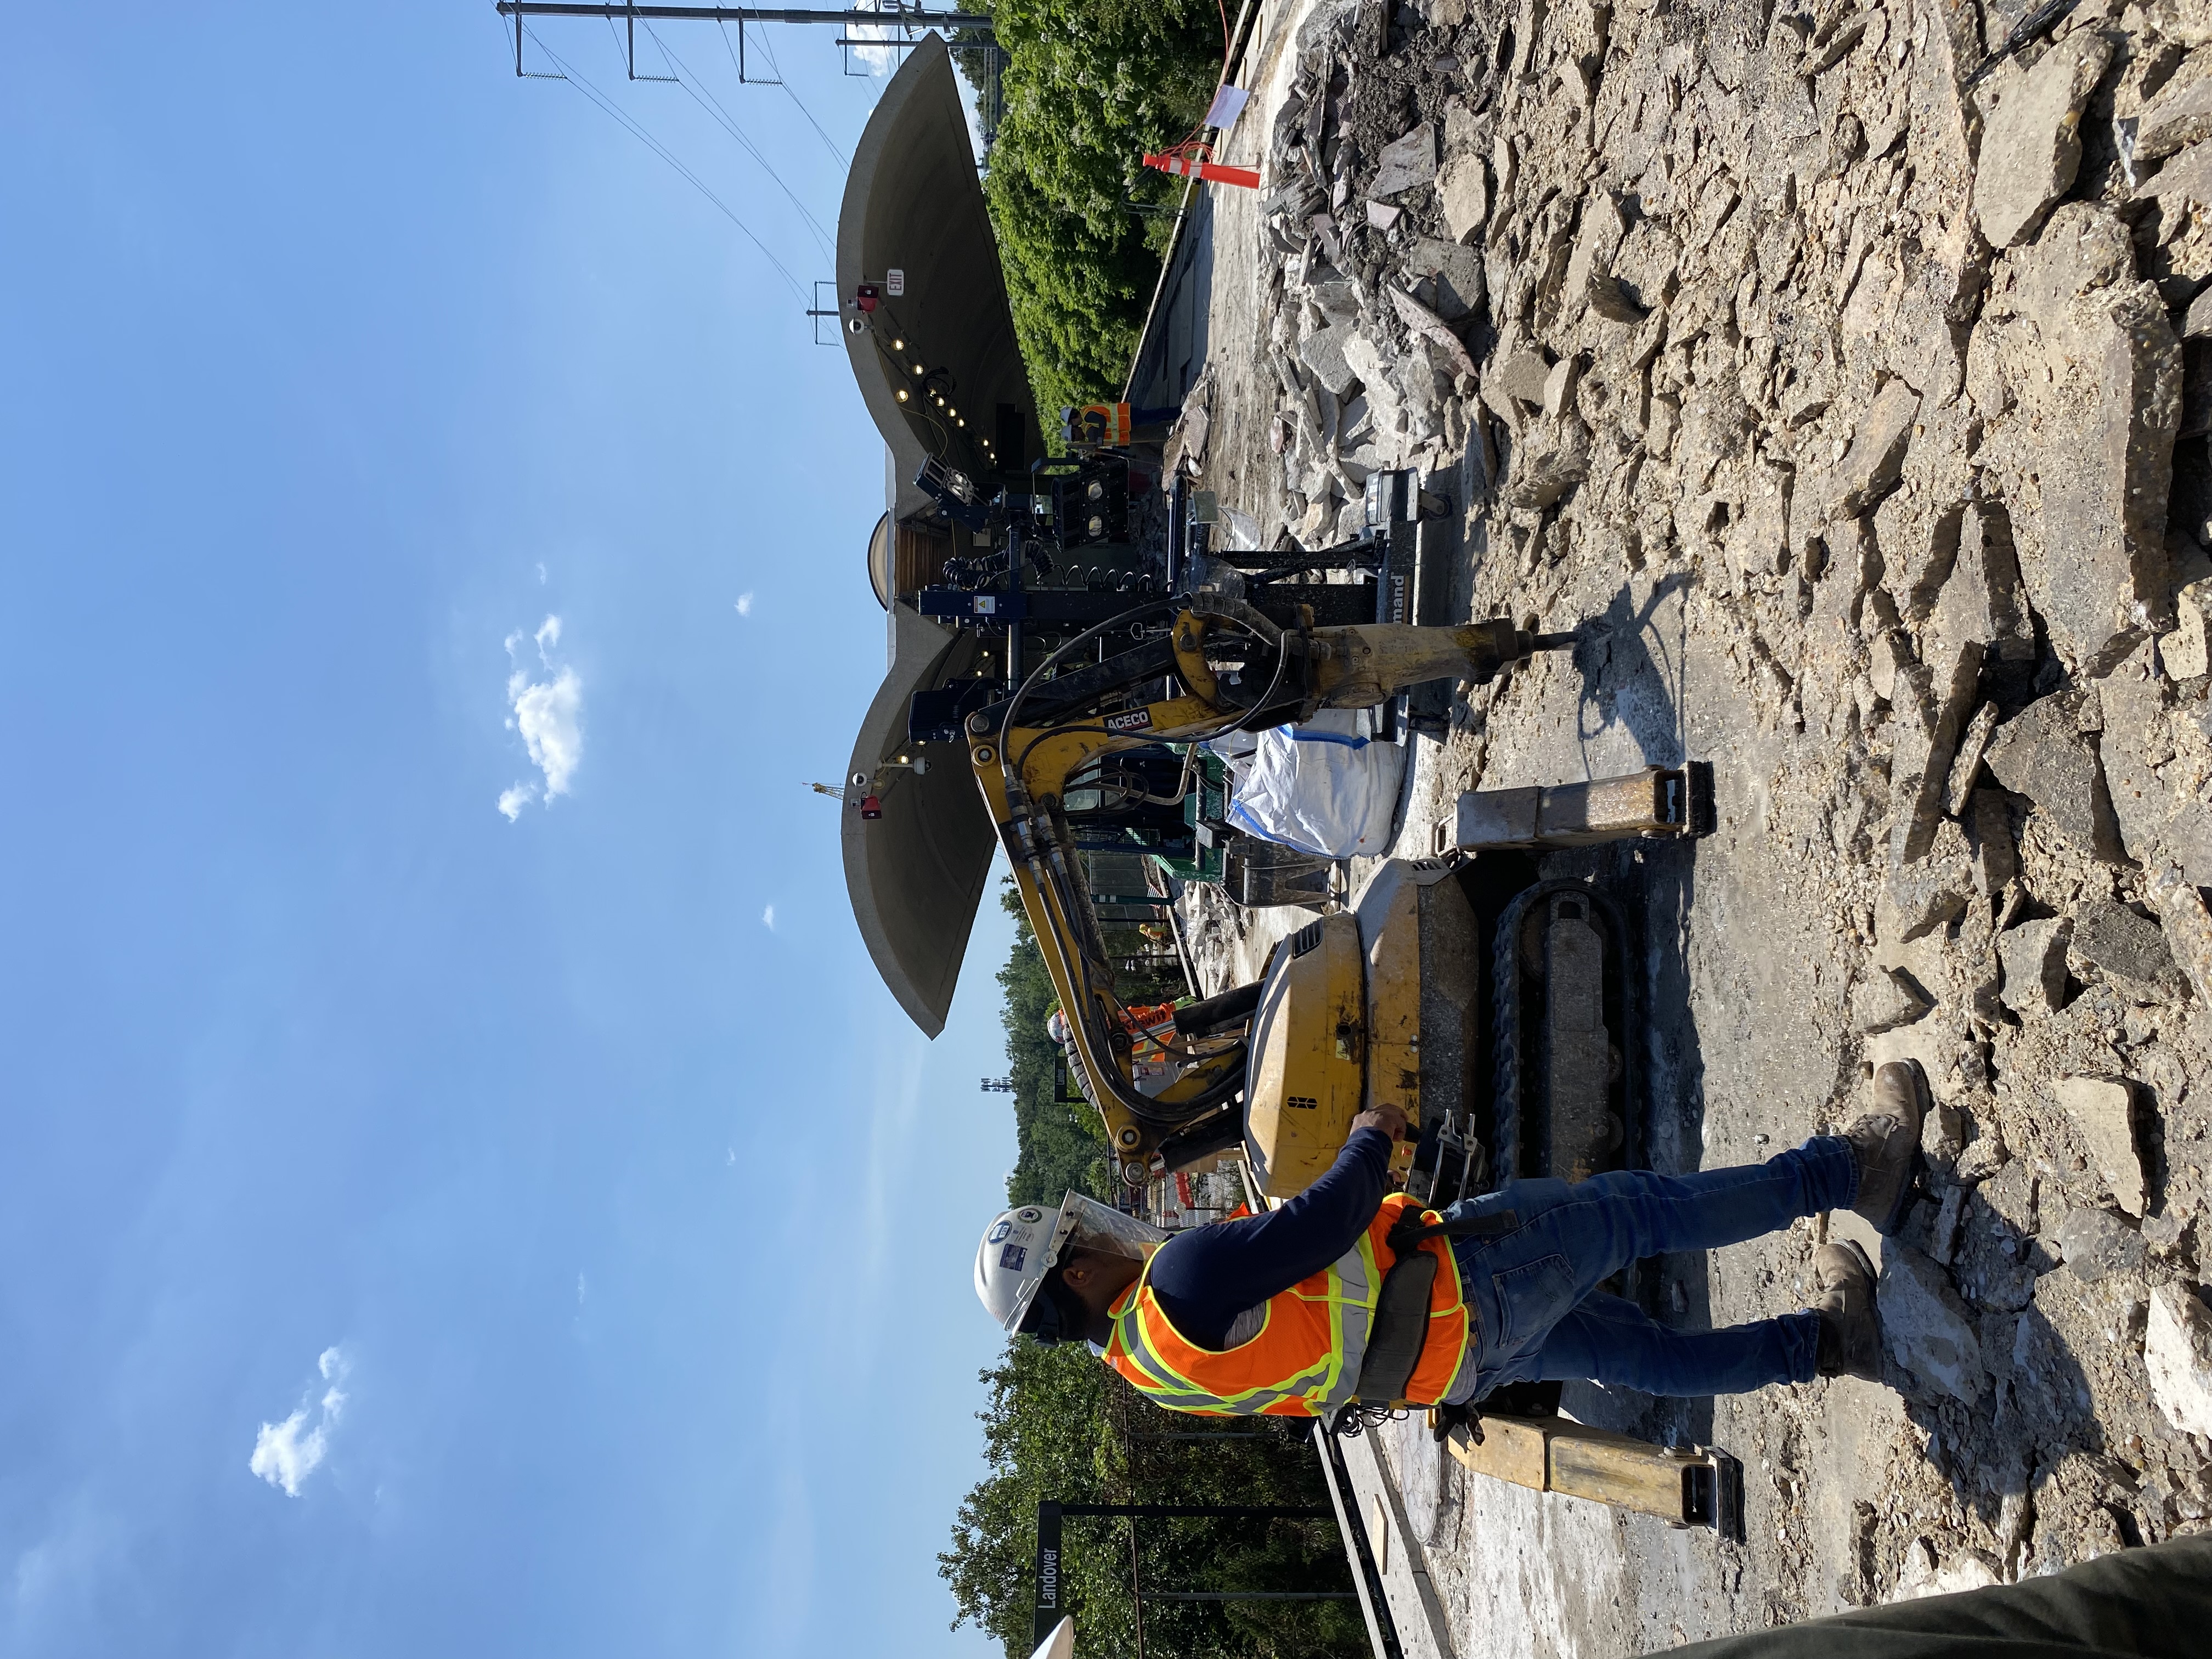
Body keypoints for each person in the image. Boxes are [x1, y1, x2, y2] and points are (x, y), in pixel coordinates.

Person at [973, 1063, 1932, 1418]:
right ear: (1078, 1268)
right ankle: (1852, 1172)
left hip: (1448, 1366)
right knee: (1638, 1211)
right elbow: (1325, 1223)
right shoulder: (1174, 1280)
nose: (1104, 1229)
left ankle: (1828, 1345)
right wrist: (1368, 1135)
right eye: (1083, 1233)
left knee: (1633, 1353)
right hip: (1466, 1288)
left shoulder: (1146, 1367)